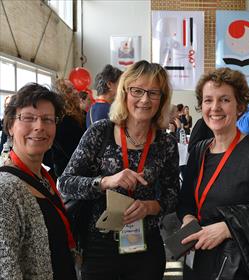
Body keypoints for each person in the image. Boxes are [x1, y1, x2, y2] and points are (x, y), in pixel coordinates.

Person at [58, 60, 180, 280]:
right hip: (100, 246)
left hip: (146, 245)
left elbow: (173, 192)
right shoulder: (100, 132)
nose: (145, 99)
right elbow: (65, 183)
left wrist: (151, 206)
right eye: (137, 91)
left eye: (153, 93)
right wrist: (105, 181)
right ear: (124, 93)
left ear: (162, 99)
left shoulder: (166, 143)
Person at [177, 67, 249, 280]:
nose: (215, 108)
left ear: (240, 106)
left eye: (224, 100)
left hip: (239, 264)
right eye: (208, 100)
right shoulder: (198, 151)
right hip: (198, 256)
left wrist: (229, 227)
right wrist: (187, 218)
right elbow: (186, 201)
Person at [0, 83, 77, 280]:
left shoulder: (43, 176)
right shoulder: (5, 190)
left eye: (47, 119)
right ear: (10, 125)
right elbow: (6, 269)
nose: (39, 126)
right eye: (28, 118)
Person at [44, 79, 86, 178]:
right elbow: (75, 153)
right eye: (69, 91)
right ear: (61, 97)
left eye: (74, 88)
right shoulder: (62, 121)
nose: (76, 92)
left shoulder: (80, 114)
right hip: (69, 174)